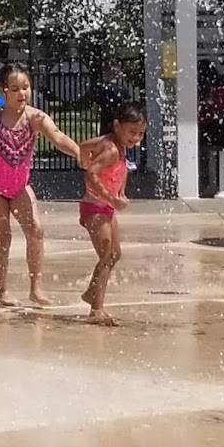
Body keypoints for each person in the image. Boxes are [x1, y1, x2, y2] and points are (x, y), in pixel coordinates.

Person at [0, 63, 84, 307]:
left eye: (26, 87)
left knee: (36, 231)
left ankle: (36, 288)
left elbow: (59, 138)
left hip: (20, 188)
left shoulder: (36, 118)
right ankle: (2, 290)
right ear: (2, 91)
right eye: (15, 89)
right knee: (3, 238)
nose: (22, 93)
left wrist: (79, 153)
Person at [78, 102, 148, 327]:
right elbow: (91, 174)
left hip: (105, 207)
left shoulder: (113, 142)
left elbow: (83, 145)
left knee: (115, 254)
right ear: (117, 126)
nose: (135, 138)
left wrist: (121, 192)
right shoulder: (111, 150)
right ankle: (96, 309)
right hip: (95, 208)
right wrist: (111, 197)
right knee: (107, 255)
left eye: (140, 134)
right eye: (131, 132)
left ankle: (92, 292)